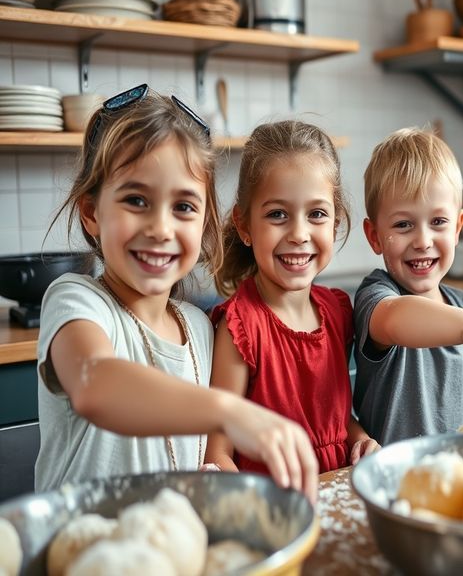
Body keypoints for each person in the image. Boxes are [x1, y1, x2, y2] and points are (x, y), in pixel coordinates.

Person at [36, 85, 318, 501]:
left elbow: (206, 462)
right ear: (92, 212)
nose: (161, 229)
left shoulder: (202, 330)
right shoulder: (77, 301)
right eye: (136, 199)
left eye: (183, 206)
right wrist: (229, 410)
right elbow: (94, 383)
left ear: (204, 223)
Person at [205, 121, 379, 475]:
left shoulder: (338, 311)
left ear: (335, 223)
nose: (299, 234)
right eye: (277, 215)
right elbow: (217, 453)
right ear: (244, 225)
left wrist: (360, 438)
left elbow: (335, 421)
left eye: (316, 214)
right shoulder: (240, 328)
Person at [353, 127, 463, 445]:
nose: (423, 241)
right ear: (374, 236)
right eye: (403, 224)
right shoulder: (376, 296)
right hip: (397, 483)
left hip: (459, 480)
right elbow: (395, 319)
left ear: (458, 226)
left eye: (438, 222)